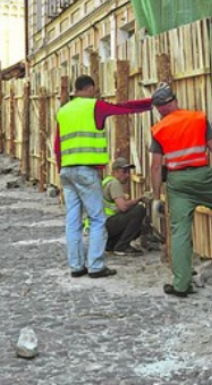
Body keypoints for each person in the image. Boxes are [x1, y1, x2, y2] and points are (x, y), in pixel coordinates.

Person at [55, 74, 152, 279]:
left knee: (73, 221)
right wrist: (151, 103)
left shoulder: (63, 111)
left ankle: (76, 266)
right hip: (86, 171)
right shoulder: (94, 106)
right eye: (94, 90)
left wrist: (60, 169)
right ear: (89, 89)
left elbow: (57, 145)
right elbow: (123, 108)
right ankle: (96, 266)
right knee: (97, 219)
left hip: (66, 171)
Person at [149, 83, 212, 298]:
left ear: (159, 109)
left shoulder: (159, 129)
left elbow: (155, 166)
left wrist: (156, 198)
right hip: (203, 176)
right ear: (174, 100)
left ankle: (181, 285)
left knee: (180, 231)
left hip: (178, 182)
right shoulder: (198, 118)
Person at [103, 157, 147, 257]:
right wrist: (139, 199)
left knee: (138, 227)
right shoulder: (114, 183)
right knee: (139, 210)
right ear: (115, 172)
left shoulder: (107, 181)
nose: (127, 175)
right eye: (124, 172)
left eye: (128, 172)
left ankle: (111, 245)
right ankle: (121, 247)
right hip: (107, 224)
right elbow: (123, 207)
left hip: (102, 225)